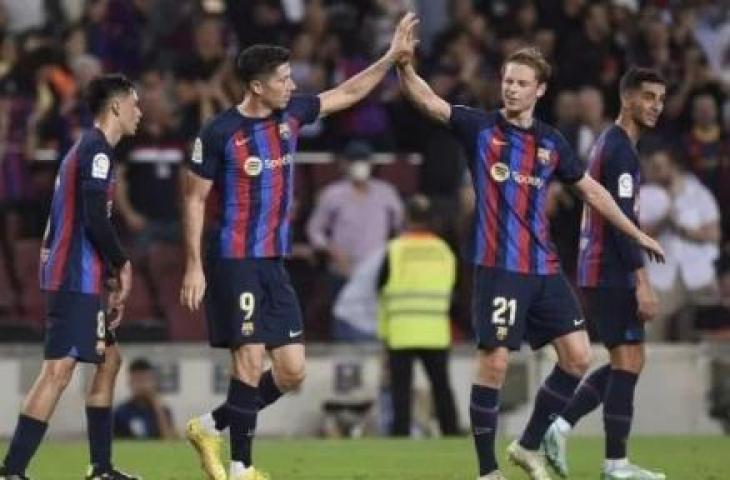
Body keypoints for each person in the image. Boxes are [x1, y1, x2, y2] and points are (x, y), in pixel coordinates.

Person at [396, 28, 665, 480]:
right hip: (499, 267)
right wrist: (404, 65)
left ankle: (527, 444)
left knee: (578, 356)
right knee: (496, 362)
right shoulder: (480, 128)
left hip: (543, 267)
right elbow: (429, 101)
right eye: (507, 80)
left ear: (539, 90)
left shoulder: (551, 142)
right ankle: (487, 472)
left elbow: (593, 193)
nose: (511, 88)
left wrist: (635, 233)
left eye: (521, 82)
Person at [179, 13, 418, 480]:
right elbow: (193, 199)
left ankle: (209, 426)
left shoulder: (291, 115)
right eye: (283, 80)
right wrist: (193, 267)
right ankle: (243, 467)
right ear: (256, 87)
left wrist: (390, 59)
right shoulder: (219, 133)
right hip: (233, 257)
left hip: (273, 260)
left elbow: (346, 93)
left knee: (290, 371)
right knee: (248, 357)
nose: (293, 85)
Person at [0, 74, 141, 480]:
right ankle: (12, 470)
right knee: (58, 370)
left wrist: (105, 275)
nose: (140, 111)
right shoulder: (97, 151)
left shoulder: (85, 149)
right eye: (134, 103)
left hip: (81, 274)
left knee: (109, 360)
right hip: (73, 275)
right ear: (115, 107)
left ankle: (100, 468)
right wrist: (121, 263)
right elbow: (95, 216)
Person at [542, 67, 667, 480]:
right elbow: (621, 221)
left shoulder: (610, 144)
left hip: (598, 269)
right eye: (648, 97)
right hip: (611, 271)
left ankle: (561, 428)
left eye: (661, 99)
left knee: (627, 360)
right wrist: (642, 281)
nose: (656, 106)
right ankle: (613, 462)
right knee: (628, 360)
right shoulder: (620, 151)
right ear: (627, 98)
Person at [377, 194, 459, 437]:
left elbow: (380, 289)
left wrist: (384, 332)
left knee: (401, 389)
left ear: (406, 217)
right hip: (435, 331)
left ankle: (400, 434)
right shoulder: (444, 251)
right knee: (441, 386)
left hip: (401, 331)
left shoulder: (395, 249)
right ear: (431, 220)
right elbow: (454, 288)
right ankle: (451, 432)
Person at [306, 140, 404, 340]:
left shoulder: (386, 193)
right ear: (344, 164)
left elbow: (400, 227)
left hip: (376, 272)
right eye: (354, 161)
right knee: (343, 320)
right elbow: (315, 229)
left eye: (363, 161)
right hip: (343, 270)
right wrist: (331, 250)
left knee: (376, 322)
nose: (359, 166)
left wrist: (391, 255)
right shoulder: (333, 194)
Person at [114, 357, 176, 440]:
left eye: (145, 380)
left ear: (153, 381)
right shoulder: (120, 412)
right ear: (130, 382)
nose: (142, 385)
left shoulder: (163, 411)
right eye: (138, 380)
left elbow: (170, 440)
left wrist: (157, 405)